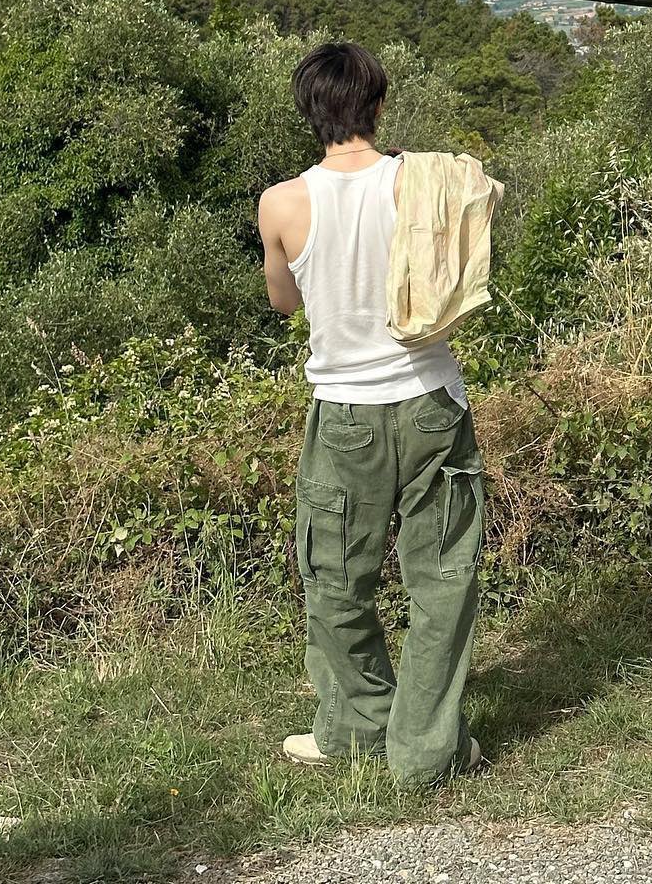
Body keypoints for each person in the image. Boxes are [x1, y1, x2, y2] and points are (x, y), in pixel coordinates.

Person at [258, 41, 483, 785]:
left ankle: (356, 727)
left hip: (345, 412)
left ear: (309, 113)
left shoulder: (283, 203)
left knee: (334, 578)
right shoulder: (425, 186)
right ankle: (424, 754)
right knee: (442, 580)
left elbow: (283, 301)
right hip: (430, 402)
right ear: (378, 106)